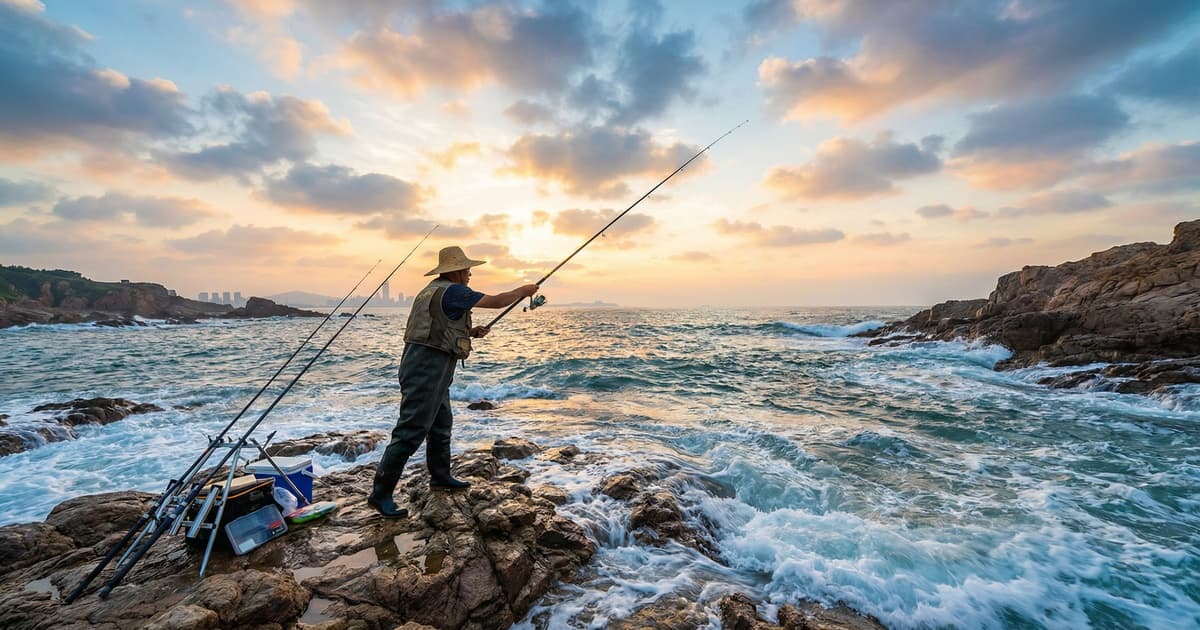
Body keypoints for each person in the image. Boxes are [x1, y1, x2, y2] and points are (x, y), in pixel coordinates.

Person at [368, 245, 539, 517]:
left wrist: (470, 331)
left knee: (441, 423)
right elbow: (495, 301)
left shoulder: (431, 290)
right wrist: (523, 290)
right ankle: (380, 495)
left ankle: (440, 476)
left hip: (426, 364)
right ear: (456, 271)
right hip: (426, 368)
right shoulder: (455, 291)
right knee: (410, 431)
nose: (470, 273)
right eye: (467, 269)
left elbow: (436, 327)